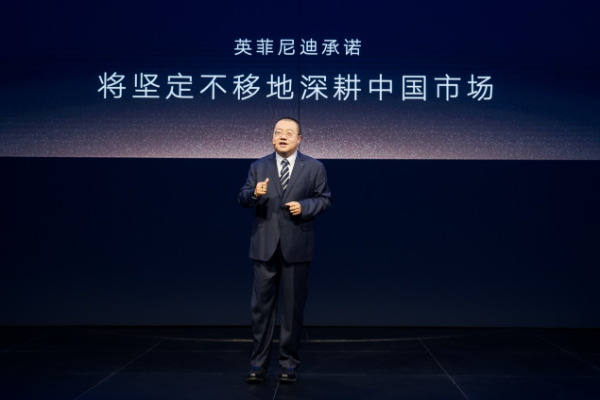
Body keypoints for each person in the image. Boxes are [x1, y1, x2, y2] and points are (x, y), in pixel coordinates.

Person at [238, 117, 332, 383]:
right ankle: (258, 364)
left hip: (297, 246)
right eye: (278, 132)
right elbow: (242, 197)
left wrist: (305, 207)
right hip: (264, 247)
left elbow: (325, 199)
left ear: (299, 139)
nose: (282, 136)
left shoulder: (314, 167)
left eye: (289, 133)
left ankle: (289, 364)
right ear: (272, 137)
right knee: (261, 310)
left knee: (292, 311)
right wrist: (254, 193)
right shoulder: (258, 166)